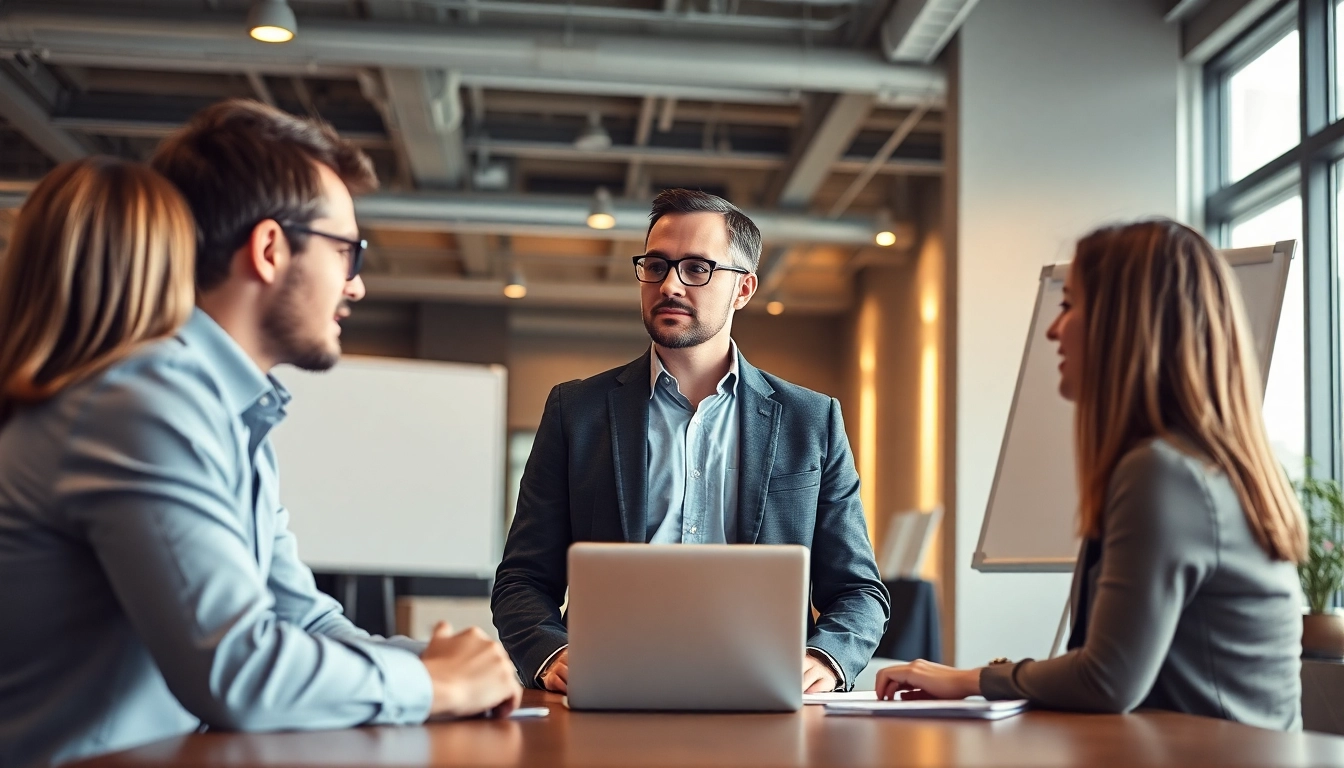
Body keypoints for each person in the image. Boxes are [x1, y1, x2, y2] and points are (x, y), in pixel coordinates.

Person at [0, 103, 519, 768]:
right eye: (346, 251)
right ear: (270, 248)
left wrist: (451, 664)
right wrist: (436, 682)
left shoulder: (227, 410)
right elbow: (237, 671)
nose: (356, 283)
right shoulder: (143, 401)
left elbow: (302, 622)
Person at [876, 220, 1306, 731]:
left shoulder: (1162, 472)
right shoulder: (1201, 462)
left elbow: (1107, 679)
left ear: (1124, 322)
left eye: (1068, 305)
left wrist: (972, 680)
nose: (1053, 330)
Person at [492, 189, 890, 694]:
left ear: (743, 289)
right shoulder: (577, 412)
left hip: (766, 684)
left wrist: (827, 658)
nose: (670, 284)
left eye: (698, 268)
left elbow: (859, 591)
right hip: (610, 682)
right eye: (656, 265)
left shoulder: (810, 420)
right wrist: (551, 652)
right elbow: (522, 579)